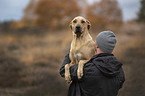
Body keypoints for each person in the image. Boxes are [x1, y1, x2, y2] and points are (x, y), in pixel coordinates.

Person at [59, 31, 125, 96]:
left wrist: (72, 52)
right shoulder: (119, 71)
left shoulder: (87, 69)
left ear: (97, 45)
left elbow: (63, 71)